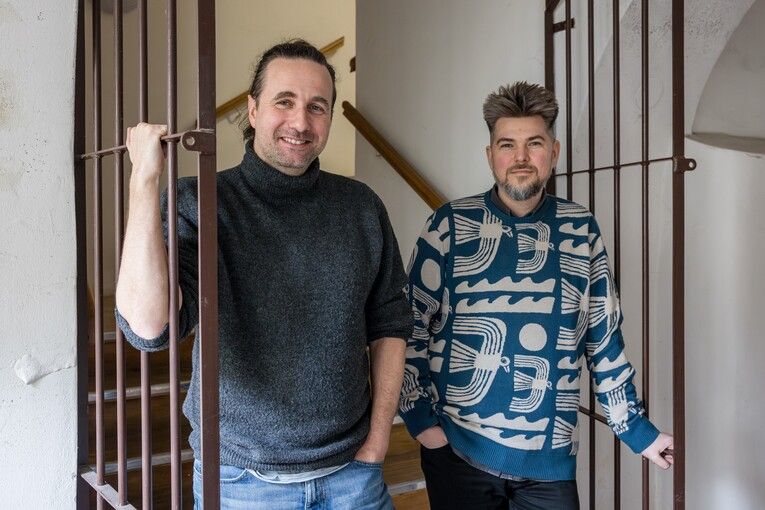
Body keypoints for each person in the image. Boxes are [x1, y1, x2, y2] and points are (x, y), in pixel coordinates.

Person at [115, 39, 412, 510]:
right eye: (284, 102)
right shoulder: (201, 203)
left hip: (353, 477)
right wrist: (144, 180)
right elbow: (149, 328)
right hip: (241, 483)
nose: (301, 122)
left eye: (317, 107)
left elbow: (390, 324)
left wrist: (378, 440)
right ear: (252, 110)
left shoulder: (361, 207)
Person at [399, 81, 673, 509]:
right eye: (507, 144)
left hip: (549, 461)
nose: (521, 157)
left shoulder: (580, 229)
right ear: (490, 155)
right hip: (458, 452)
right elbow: (408, 325)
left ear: (554, 152)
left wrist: (637, 431)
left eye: (535, 143)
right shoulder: (448, 225)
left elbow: (603, 340)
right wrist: (420, 421)